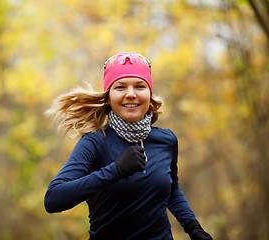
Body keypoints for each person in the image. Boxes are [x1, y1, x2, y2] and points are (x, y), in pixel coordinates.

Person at [44, 52, 212, 240]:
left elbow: (171, 188)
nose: (131, 94)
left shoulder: (166, 140)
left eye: (140, 86)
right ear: (108, 97)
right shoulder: (95, 142)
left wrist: (193, 227)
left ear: (149, 94)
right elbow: (53, 199)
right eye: (120, 87)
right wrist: (116, 170)